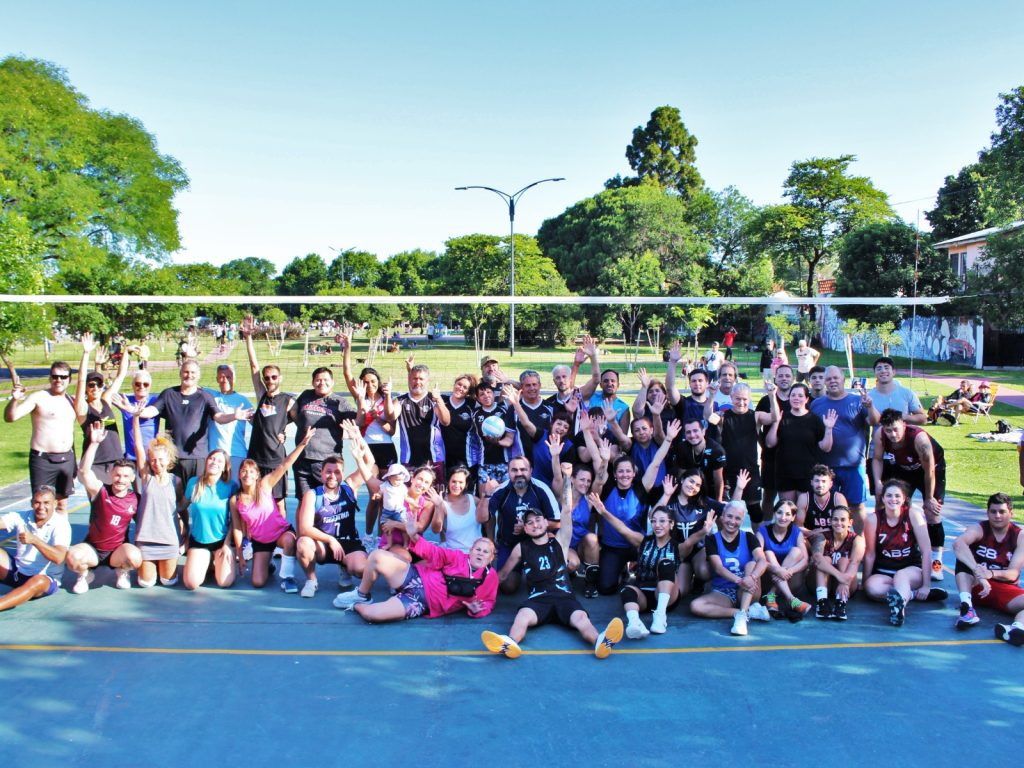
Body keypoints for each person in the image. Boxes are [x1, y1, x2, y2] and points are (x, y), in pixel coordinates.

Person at [481, 501, 624, 660]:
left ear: (545, 522)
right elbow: (502, 575)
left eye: (538, 520)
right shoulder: (521, 547)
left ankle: (600, 641)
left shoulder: (560, 542)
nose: (535, 525)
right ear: (526, 529)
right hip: (538, 600)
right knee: (522, 616)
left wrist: (567, 481)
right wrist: (481, 595)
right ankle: (510, 643)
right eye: (530, 523)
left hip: (564, 598)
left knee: (581, 619)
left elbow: (566, 513)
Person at [338, 510, 498, 623]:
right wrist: (413, 535)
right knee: (377, 556)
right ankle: (362, 595)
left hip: (422, 602)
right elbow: (433, 551)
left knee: (372, 615)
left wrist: (478, 610)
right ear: (470, 551)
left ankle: (357, 605)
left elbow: (489, 602)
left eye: (486, 552)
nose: (480, 553)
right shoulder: (457, 556)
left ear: (491, 558)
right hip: (416, 577)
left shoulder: (490, 577)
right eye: (478, 549)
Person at [137, 360, 250, 489]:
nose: (189, 375)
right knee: (174, 496)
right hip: (172, 457)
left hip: (198, 458)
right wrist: (135, 411)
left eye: (192, 372)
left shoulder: (205, 397)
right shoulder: (169, 394)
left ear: (198, 376)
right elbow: (152, 410)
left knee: (195, 495)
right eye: (186, 372)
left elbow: (218, 417)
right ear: (180, 373)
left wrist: (233, 416)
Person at [297, 428, 378, 599]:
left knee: (363, 569)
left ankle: (345, 567)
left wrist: (358, 437)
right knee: (304, 544)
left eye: (337, 472)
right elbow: (304, 528)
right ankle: (311, 580)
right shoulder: (313, 495)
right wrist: (330, 540)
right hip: (324, 544)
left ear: (342, 474)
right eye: (328, 471)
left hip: (349, 543)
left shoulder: (349, 487)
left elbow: (370, 462)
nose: (332, 475)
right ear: (321, 473)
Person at [231, 429, 315, 593]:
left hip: (280, 534)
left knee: (290, 541)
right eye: (243, 471)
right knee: (257, 582)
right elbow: (237, 528)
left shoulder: (265, 485)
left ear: (257, 475)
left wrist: (302, 444)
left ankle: (287, 577)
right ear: (239, 474)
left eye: (251, 471)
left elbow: (285, 464)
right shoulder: (236, 499)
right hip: (260, 542)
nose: (247, 474)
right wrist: (240, 555)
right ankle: (267, 564)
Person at [65, 422, 142, 593]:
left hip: (117, 551)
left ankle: (122, 571)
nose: (120, 480)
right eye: (117, 475)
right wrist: (94, 443)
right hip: (93, 548)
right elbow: (84, 472)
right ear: (111, 474)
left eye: (125, 476)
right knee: (71, 557)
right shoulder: (100, 491)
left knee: (135, 557)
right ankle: (85, 573)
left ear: (131, 479)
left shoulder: (135, 499)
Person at [872, 409, 947, 582]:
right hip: (903, 469)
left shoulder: (919, 440)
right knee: (895, 507)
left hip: (930, 470)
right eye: (889, 430)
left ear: (904, 425)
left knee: (932, 512)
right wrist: (877, 482)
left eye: (896, 429)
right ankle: (901, 550)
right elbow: (877, 459)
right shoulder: (880, 435)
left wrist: (929, 498)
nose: (893, 434)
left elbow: (929, 470)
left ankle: (936, 562)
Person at [862, 479, 944, 626]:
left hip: (911, 570)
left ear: (904, 498)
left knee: (901, 576)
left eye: (897, 496)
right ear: (882, 498)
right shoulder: (873, 519)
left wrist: (926, 585)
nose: (893, 499)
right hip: (884, 572)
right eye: (889, 496)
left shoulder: (913, 515)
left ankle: (899, 609)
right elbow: (870, 554)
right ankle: (910, 594)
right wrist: (865, 581)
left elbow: (926, 551)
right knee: (872, 589)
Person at [594, 504, 680, 638]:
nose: (657, 525)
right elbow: (623, 529)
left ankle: (660, 616)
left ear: (672, 523)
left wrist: (705, 530)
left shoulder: (678, 546)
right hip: (644, 595)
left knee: (665, 563)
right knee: (626, 589)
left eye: (662, 521)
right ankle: (635, 623)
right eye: (654, 521)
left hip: (666, 596)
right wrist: (604, 512)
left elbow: (696, 541)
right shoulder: (644, 541)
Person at [5, 359, 79, 514]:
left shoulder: (72, 401)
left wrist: (74, 467)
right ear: (50, 378)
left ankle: (60, 539)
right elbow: (11, 417)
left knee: (62, 506)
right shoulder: (39, 397)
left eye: (63, 377)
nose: (58, 380)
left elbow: (70, 432)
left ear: (69, 379)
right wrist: (14, 399)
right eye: (55, 376)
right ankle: (39, 538)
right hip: (42, 461)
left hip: (66, 460)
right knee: (41, 506)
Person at [810, 366, 878, 530]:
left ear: (843, 379)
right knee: (827, 508)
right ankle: (832, 546)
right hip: (826, 466)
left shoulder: (857, 401)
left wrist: (870, 406)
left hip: (853, 466)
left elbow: (874, 422)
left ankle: (860, 543)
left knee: (856, 507)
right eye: (829, 379)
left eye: (835, 378)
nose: (832, 381)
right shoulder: (816, 405)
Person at [690, 500, 771, 636]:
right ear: (722, 517)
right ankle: (743, 613)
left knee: (751, 564)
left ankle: (742, 619)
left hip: (749, 589)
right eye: (729, 516)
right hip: (724, 591)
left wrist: (752, 577)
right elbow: (718, 568)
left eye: (737, 518)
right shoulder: (712, 540)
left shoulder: (749, 537)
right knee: (695, 606)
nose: (732, 521)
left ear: (742, 520)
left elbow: (762, 560)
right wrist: (740, 580)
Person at [951, 492, 1024, 644]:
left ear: (1011, 513)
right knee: (964, 556)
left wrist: (989, 573)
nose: (997, 515)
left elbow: (1012, 574)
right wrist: (979, 572)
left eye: (1002, 512)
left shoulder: (1019, 536)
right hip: (977, 586)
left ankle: (1016, 629)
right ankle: (967, 608)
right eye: (993, 512)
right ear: (987, 513)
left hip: (1005, 590)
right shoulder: (979, 528)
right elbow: (958, 544)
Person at [241, 315, 297, 514]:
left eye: (274, 377)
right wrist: (248, 337)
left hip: (275, 459)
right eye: (267, 378)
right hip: (256, 457)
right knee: (252, 498)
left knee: (278, 502)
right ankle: (252, 538)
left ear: (279, 377)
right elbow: (254, 367)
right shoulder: (261, 395)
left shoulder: (288, 400)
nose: (270, 380)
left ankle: (281, 537)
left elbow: (301, 422)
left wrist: (285, 433)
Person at [706, 381, 779, 524]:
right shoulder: (723, 417)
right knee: (727, 512)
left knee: (755, 512)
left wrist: (772, 396)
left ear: (749, 399)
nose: (741, 402)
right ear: (732, 398)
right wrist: (712, 396)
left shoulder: (756, 416)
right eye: (738, 398)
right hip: (729, 471)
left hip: (750, 470)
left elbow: (774, 417)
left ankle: (756, 540)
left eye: (745, 399)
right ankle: (726, 542)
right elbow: (708, 416)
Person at [484, 455, 560, 588]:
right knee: (508, 586)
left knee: (546, 583)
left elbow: (557, 523)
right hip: (510, 543)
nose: (519, 473)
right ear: (508, 472)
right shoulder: (501, 490)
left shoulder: (542, 489)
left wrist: (530, 527)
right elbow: (487, 517)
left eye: (523, 469)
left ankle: (540, 570)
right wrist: (490, 540)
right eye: (514, 470)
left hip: (537, 543)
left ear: (531, 470)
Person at [131, 416, 185, 588]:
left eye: (161, 459)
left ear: (169, 459)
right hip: (146, 539)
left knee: (168, 581)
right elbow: (138, 446)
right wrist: (135, 418)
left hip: (169, 539)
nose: (157, 463)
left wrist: (186, 529)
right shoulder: (146, 477)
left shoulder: (175, 481)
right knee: (146, 583)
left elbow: (182, 507)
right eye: (153, 459)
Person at [289, 365, 358, 499]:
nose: (322, 383)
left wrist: (360, 400)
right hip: (302, 459)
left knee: (327, 501)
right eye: (318, 380)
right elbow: (294, 414)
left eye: (326, 380)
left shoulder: (339, 402)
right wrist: (281, 431)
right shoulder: (306, 395)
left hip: (327, 461)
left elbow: (359, 421)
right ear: (313, 382)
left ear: (332, 382)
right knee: (303, 502)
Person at [0, 486, 71, 612]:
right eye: (37, 502)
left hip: (44, 579)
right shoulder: (20, 516)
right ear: (32, 503)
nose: (41, 507)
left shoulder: (61, 525)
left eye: (46, 503)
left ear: (55, 504)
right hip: (17, 572)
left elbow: (59, 558)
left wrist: (34, 540)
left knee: (37, 581)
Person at [765, 382, 837, 502]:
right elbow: (770, 443)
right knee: (787, 510)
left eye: (800, 395)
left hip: (808, 474)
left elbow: (826, 448)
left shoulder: (814, 420)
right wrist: (776, 423)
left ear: (806, 399)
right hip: (785, 472)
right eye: (793, 395)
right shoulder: (782, 418)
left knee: (804, 513)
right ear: (789, 398)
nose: (796, 398)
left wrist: (829, 429)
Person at [340, 329, 398, 470]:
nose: (370, 385)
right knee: (372, 487)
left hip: (386, 446)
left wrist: (377, 417)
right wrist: (348, 347)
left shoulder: (387, 399)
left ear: (378, 381)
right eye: (365, 382)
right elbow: (347, 372)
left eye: (373, 381)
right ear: (361, 383)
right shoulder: (360, 396)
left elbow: (391, 431)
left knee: (386, 487)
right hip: (366, 446)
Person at [181, 449, 238, 590]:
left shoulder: (231, 486)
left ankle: (214, 561)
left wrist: (227, 543)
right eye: (212, 458)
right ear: (206, 461)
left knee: (224, 582)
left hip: (221, 542)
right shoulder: (193, 483)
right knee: (191, 583)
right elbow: (181, 507)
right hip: (199, 541)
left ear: (225, 467)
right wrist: (185, 529)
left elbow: (235, 520)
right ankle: (206, 561)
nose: (214, 462)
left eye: (219, 461)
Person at [388, 361, 447, 478]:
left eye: (421, 379)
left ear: (427, 380)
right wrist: (387, 395)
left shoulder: (434, 399)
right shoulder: (400, 401)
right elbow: (391, 416)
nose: (418, 382)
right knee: (410, 495)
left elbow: (445, 421)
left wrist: (439, 400)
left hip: (434, 459)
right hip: (409, 460)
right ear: (409, 379)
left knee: (435, 495)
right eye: (414, 378)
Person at [756, 500, 811, 620]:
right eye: (779, 513)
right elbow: (757, 557)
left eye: (787, 514)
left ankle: (772, 593)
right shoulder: (762, 531)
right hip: (768, 578)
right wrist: (776, 570)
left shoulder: (796, 532)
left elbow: (805, 560)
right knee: (768, 553)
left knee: (797, 551)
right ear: (774, 513)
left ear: (793, 517)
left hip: (791, 579)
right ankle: (791, 599)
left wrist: (788, 571)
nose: (783, 517)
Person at [810, 504, 864, 620]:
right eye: (835, 519)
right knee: (825, 559)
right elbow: (816, 558)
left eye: (843, 519)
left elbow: (855, 563)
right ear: (830, 521)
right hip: (823, 583)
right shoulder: (822, 536)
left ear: (850, 522)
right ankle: (822, 602)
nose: (839, 523)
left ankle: (841, 603)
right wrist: (840, 576)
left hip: (845, 584)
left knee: (844, 560)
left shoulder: (857, 540)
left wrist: (844, 581)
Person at [756, 364, 793, 520]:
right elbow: (757, 427)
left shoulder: (799, 398)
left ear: (793, 378)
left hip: (793, 457)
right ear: (775, 379)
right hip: (771, 457)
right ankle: (766, 527)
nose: (784, 378)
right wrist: (764, 445)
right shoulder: (766, 401)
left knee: (790, 498)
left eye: (787, 376)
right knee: (769, 495)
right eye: (781, 376)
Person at [469, 375, 520, 488]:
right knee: (485, 496)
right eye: (482, 394)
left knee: (506, 494)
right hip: (484, 462)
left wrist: (508, 380)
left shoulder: (504, 408)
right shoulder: (475, 414)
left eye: (488, 392)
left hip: (505, 461)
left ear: (493, 394)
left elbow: (521, 388)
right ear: (477, 398)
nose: (486, 396)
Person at [206, 363, 253, 480]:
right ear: (217, 379)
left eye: (229, 377)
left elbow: (258, 424)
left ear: (234, 379)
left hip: (236, 454)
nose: (225, 380)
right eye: (221, 377)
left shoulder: (243, 401)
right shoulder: (209, 396)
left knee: (234, 492)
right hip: (214, 455)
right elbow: (192, 383)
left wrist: (279, 432)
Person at [427, 466, 488, 553]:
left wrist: (487, 495)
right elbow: (435, 530)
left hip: (475, 554)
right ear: (448, 482)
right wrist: (438, 506)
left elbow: (487, 519)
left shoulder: (474, 500)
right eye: (454, 481)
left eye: (461, 482)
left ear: (466, 484)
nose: (457, 485)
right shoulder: (442, 503)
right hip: (453, 553)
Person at [674, 419, 726, 501]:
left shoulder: (717, 450)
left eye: (695, 431)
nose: (692, 435)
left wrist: (718, 501)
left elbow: (718, 480)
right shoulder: (682, 448)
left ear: (703, 432)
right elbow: (681, 476)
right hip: (690, 488)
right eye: (688, 432)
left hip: (710, 489)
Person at [796, 465, 849, 543]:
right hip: (811, 538)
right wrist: (813, 533)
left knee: (858, 541)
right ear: (811, 482)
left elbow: (845, 525)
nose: (820, 485)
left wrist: (826, 533)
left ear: (830, 484)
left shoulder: (838, 498)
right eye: (817, 481)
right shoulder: (804, 498)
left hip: (834, 538)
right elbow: (798, 526)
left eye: (824, 481)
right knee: (799, 541)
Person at [438, 373, 476, 477]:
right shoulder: (442, 400)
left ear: (468, 391)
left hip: (464, 458)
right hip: (441, 456)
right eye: (459, 384)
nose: (460, 388)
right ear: (454, 384)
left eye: (465, 387)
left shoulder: (471, 405)